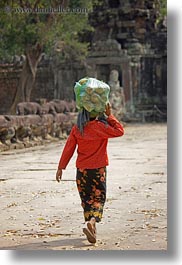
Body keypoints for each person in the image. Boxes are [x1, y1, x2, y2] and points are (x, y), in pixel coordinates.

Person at [56, 103, 124, 244]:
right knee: (98, 199)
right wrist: (109, 115)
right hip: (98, 170)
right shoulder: (102, 127)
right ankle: (92, 222)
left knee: (86, 199)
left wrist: (61, 167)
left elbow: (68, 148)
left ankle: (91, 228)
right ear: (97, 113)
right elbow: (119, 131)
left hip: (82, 171)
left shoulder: (78, 129)